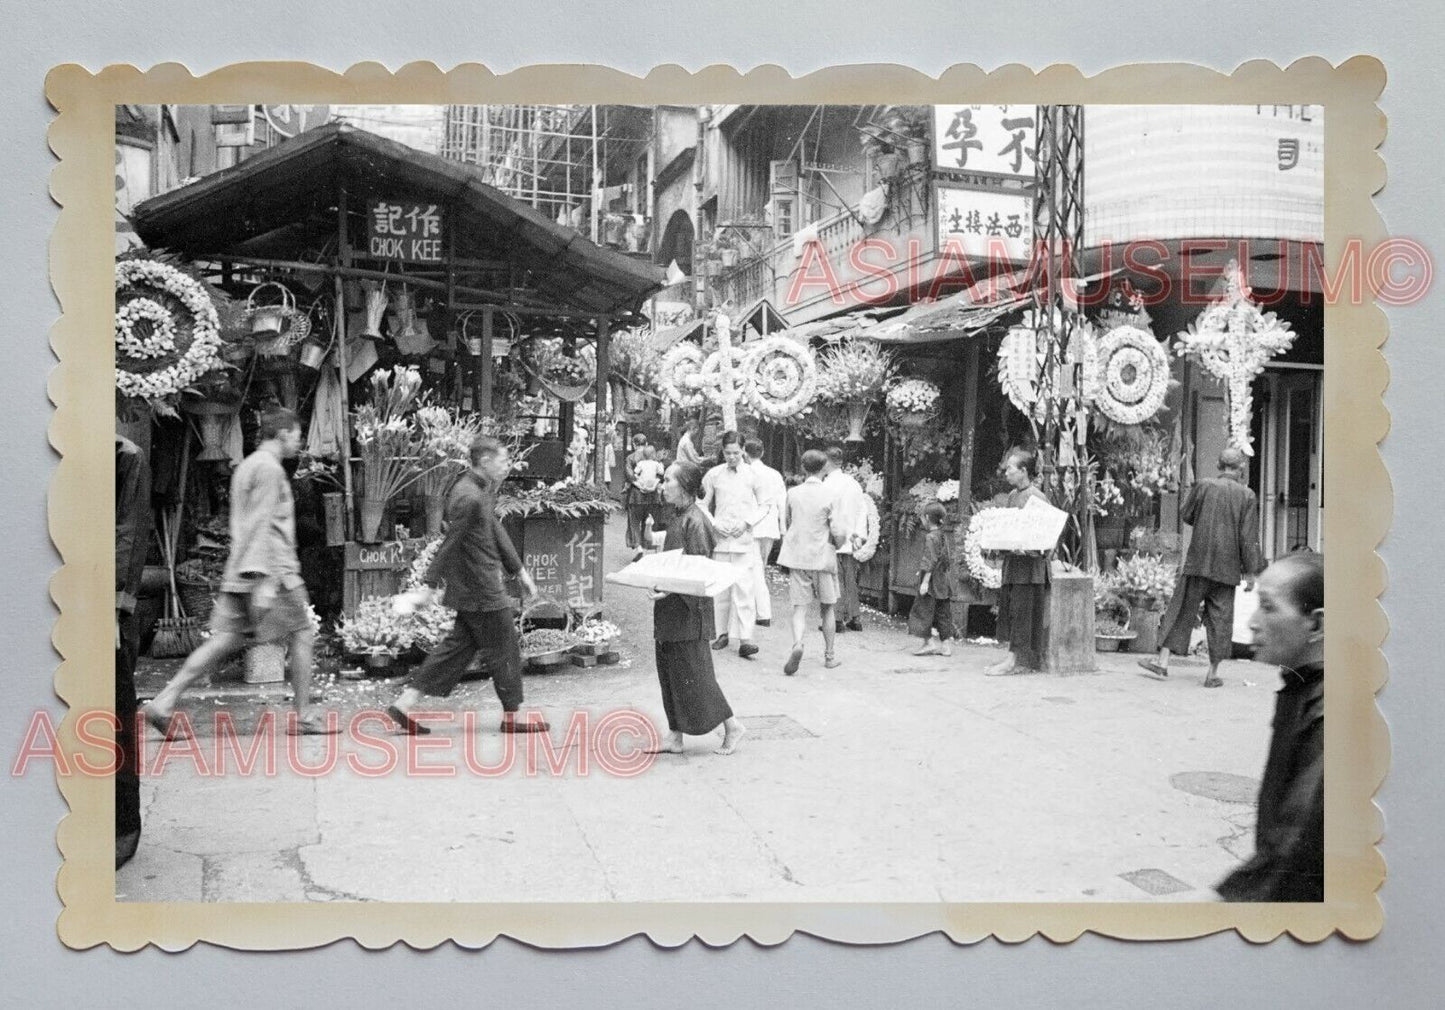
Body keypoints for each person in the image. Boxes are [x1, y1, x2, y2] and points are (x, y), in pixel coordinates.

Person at [144, 408, 334, 737]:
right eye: (297, 436)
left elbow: (245, 524)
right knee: (303, 633)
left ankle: (163, 702)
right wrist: (264, 583)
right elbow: (262, 524)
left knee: (224, 641)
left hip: (240, 571)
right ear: (284, 434)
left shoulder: (247, 466)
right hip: (272, 571)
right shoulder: (270, 470)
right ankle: (303, 716)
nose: (299, 442)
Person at [387, 435, 549, 735]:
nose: (506, 465)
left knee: (456, 649)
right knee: (506, 649)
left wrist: (519, 570)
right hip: (482, 588)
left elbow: (494, 528)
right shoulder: (468, 495)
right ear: (485, 461)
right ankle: (513, 717)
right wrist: (429, 584)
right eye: (502, 460)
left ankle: (405, 703)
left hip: (476, 586)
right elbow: (451, 543)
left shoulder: (476, 489)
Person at [1215, 552, 1324, 902]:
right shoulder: (1301, 687)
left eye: (1268, 607)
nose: (1252, 623)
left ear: (1317, 624)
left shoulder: (1328, 713)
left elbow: (1293, 848)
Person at [1140, 446, 1264, 688]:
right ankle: (1212, 673)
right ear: (1240, 469)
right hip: (1227, 570)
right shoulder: (1247, 495)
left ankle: (1163, 662)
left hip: (1198, 563)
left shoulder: (1204, 486)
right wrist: (1250, 572)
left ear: (1219, 466)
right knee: (1221, 619)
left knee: (1182, 610)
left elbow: (1187, 516)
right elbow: (1248, 537)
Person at [646, 461, 746, 755]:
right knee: (669, 672)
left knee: (697, 675)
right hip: (671, 607)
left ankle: (732, 725)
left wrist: (668, 588)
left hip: (689, 613)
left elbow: (700, 573)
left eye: (668, 481)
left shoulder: (697, 521)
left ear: (686, 487)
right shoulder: (678, 515)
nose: (663, 486)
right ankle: (674, 735)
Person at [777, 450, 848, 675]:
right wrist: (837, 543)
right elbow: (837, 529)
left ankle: (798, 643)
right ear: (824, 467)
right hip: (823, 558)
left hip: (798, 558)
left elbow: (788, 523)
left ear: (803, 467)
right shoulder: (830, 494)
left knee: (799, 608)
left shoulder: (793, 493)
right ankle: (829, 656)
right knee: (827, 608)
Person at [986, 448, 1053, 676]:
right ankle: (1015, 659)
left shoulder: (1037, 497)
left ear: (1024, 471)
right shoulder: (1013, 496)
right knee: (1013, 611)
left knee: (1023, 612)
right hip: (1014, 565)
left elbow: (1047, 537)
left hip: (1030, 568)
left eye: (1011, 469)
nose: (1006, 473)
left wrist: (1029, 548)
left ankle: (1016, 661)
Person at [115, 434, 150, 868]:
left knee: (115, 715)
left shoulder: (125, 458)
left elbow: (129, 534)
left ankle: (123, 825)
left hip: (105, 600)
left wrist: (116, 606)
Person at [702, 431, 764, 659]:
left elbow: (766, 505)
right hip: (720, 540)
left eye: (736, 453)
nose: (731, 457)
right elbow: (702, 504)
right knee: (720, 590)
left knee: (744, 589)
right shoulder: (714, 475)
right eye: (727, 453)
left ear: (743, 450)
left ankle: (746, 639)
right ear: (722, 451)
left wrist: (747, 523)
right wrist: (714, 524)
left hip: (743, 541)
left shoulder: (753, 475)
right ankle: (721, 633)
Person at [822, 446, 867, 632]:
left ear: (827, 463)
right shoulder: (853, 483)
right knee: (850, 577)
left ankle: (838, 619)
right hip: (851, 536)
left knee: (835, 577)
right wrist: (859, 535)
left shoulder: (826, 485)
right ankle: (855, 618)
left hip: (833, 536)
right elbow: (862, 510)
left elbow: (825, 512)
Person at [744, 437, 788, 628]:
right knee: (759, 566)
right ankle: (759, 610)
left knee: (755, 568)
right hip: (769, 526)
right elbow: (782, 502)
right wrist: (783, 527)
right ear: (761, 453)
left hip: (752, 525)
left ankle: (762, 611)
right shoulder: (774, 474)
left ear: (745, 453)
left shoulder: (746, 473)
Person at [909, 501, 956, 657]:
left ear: (927, 518)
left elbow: (929, 560)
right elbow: (945, 559)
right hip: (942, 580)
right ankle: (946, 646)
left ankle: (928, 643)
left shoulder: (930, 537)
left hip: (931, 582)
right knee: (943, 613)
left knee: (922, 611)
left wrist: (924, 581)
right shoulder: (943, 536)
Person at [623, 433, 652, 549]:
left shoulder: (630, 458)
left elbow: (630, 476)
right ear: (646, 444)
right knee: (648, 522)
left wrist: (639, 485)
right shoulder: (652, 457)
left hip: (635, 495)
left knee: (634, 522)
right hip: (651, 495)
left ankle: (638, 547)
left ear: (634, 445)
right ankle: (646, 548)